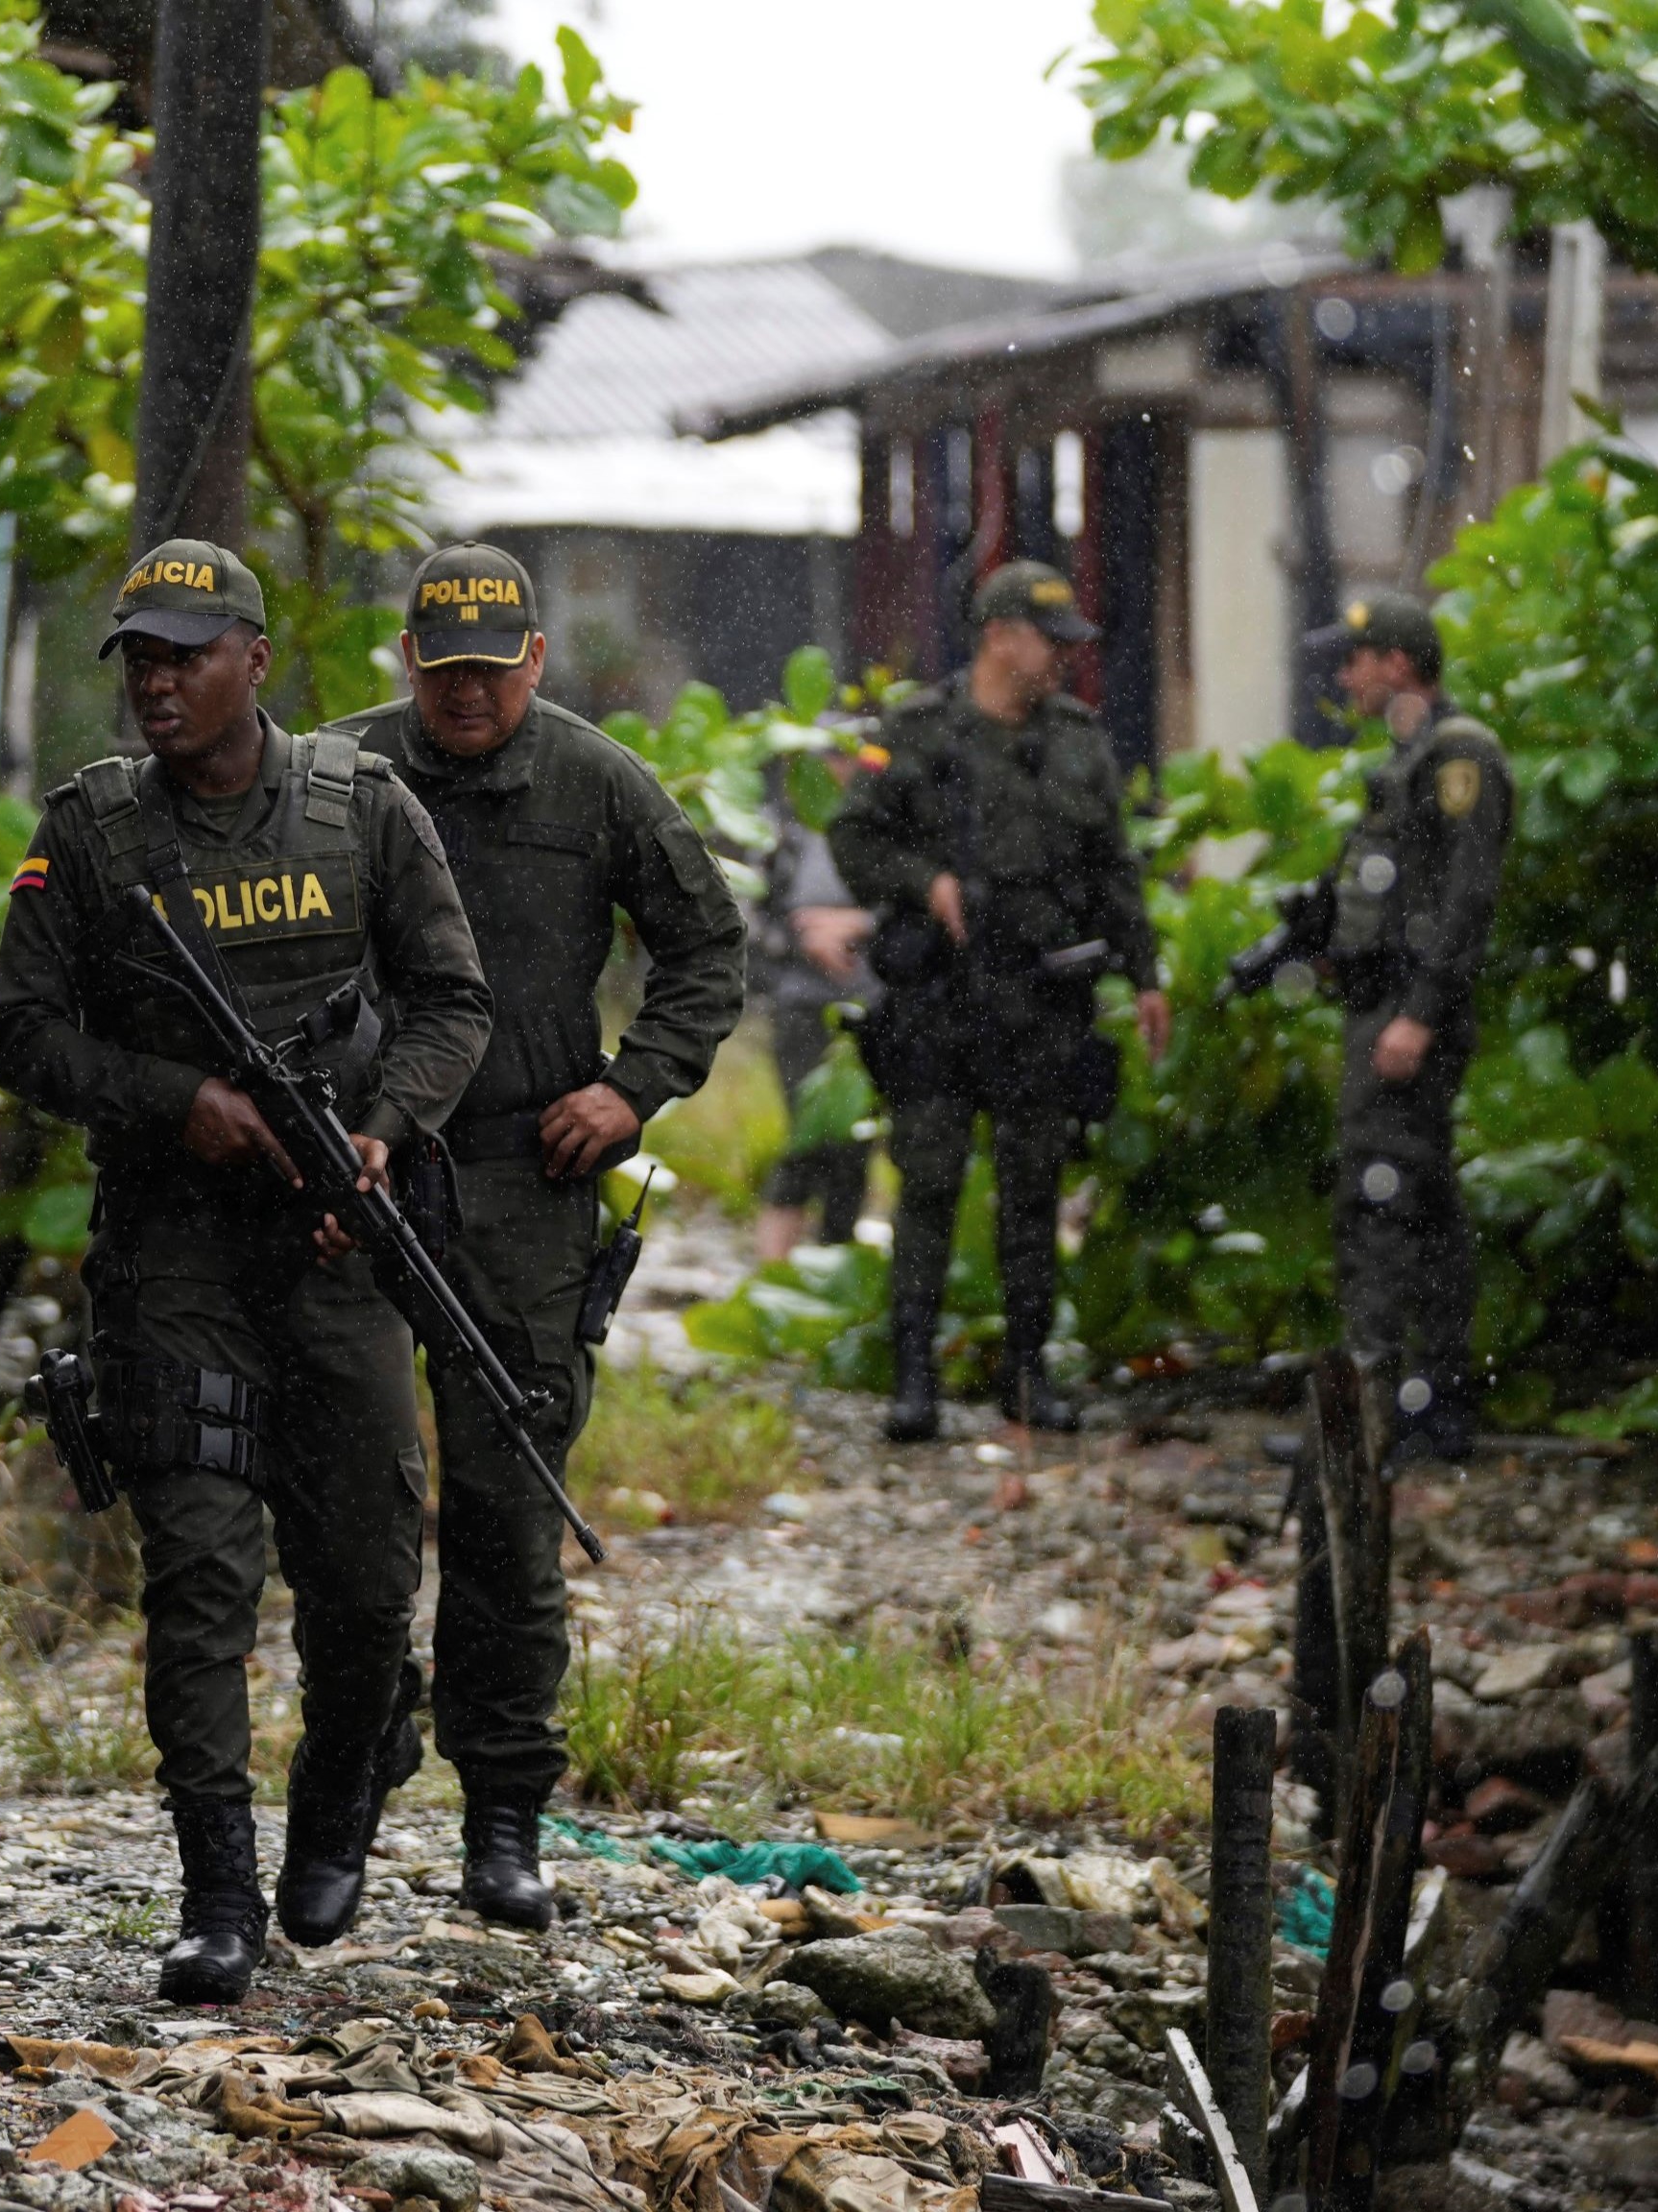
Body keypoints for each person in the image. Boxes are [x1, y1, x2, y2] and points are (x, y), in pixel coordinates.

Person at [0, 539, 496, 2003]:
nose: (155, 680)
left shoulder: (362, 812)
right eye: (138, 656)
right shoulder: (88, 835)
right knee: (200, 1572)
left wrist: (384, 1139)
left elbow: (451, 1002)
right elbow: (23, 1038)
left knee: (362, 1572)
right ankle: (219, 1891)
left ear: (254, 662)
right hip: (175, 1256)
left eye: (184, 655)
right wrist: (178, 1103)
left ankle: (343, 1791)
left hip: (340, 1249)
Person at [324, 542, 747, 1933]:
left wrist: (631, 1088)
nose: (466, 697)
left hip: (526, 1188)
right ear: (409, 662)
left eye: (491, 672)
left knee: (507, 1514)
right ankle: (357, 1764)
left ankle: (504, 1815)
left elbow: (708, 949)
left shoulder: (595, 781)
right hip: (364, 1181)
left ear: (536, 661)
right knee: (351, 1503)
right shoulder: (338, 776)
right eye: (443, 672)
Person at [829, 560, 1169, 1445]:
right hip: (942, 1004)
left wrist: (1146, 976)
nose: (1059, 659)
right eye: (1047, 642)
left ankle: (1028, 1373)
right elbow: (855, 837)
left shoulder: (1076, 740)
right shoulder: (918, 731)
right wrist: (925, 878)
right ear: (1000, 637)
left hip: (1042, 1003)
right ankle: (915, 1381)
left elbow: (1114, 871)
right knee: (929, 1188)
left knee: (1031, 1194)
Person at [1299, 590, 1508, 1464]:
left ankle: (1377, 1413)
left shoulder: (1459, 756)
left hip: (1409, 1013)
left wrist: (1418, 1015)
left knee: (1382, 1194)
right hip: (1383, 1000)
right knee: (1420, 1198)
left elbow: (1466, 899)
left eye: (1357, 660)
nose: (1346, 678)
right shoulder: (1414, 756)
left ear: (1397, 663)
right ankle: (1430, 1401)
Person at [752, 813, 877, 1262]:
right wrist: (803, 937)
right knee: (806, 1138)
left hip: (873, 1006)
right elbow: (748, 910)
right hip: (800, 1004)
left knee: (855, 1146)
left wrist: (862, 925)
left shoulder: (893, 818)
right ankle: (771, 1274)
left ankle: (834, 1267)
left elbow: (919, 903)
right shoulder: (787, 830)